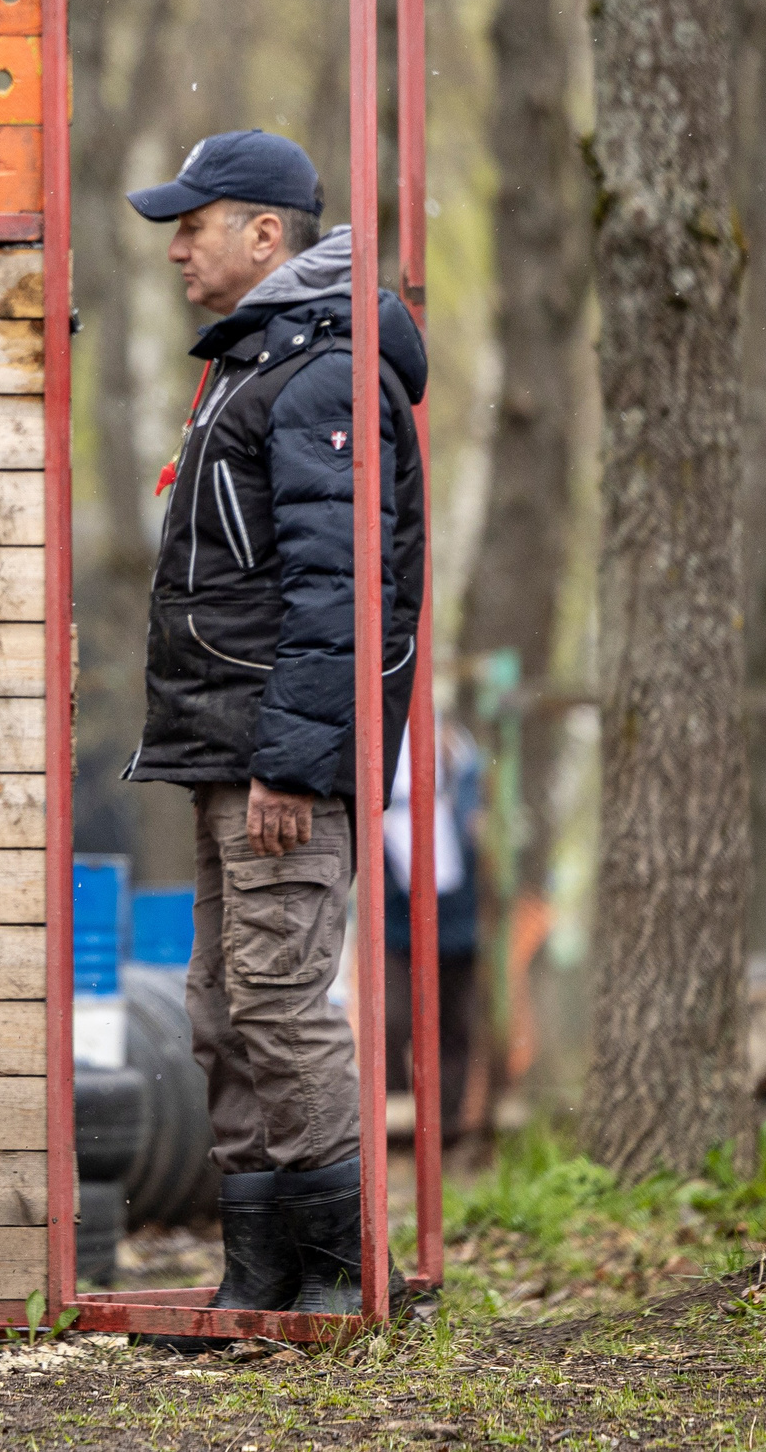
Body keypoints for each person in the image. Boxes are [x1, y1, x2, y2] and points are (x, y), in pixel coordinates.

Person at [120, 129, 428, 1332]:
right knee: (220, 1008)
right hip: (227, 753)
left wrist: (293, 763)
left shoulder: (320, 382)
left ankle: (346, 1274)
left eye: (194, 224)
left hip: (273, 762)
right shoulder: (262, 371)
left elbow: (337, 590)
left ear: (267, 235)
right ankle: (262, 1273)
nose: (175, 247)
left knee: (282, 1006)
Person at [382, 722, 482, 1147]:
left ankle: (448, 1125)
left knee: (454, 1026)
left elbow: (478, 835)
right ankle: (403, 1121)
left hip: (458, 929)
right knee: (395, 1020)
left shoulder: (465, 772)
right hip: (398, 927)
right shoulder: (390, 781)